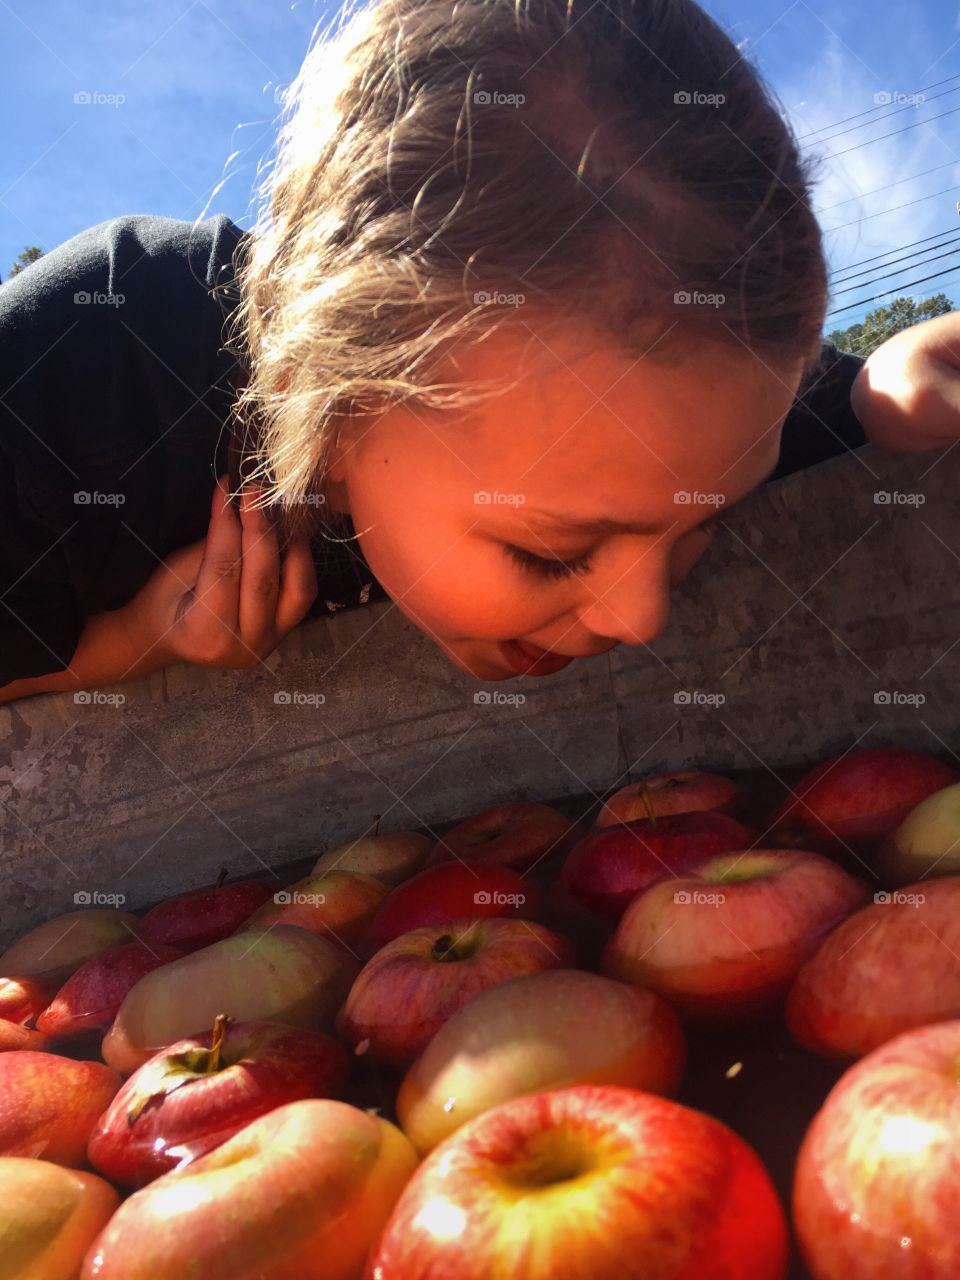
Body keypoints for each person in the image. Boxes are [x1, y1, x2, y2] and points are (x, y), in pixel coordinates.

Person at [0, 0, 950, 706]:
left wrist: (889, 389)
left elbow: (869, 393)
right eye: (551, 553)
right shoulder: (81, 371)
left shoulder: (680, 404)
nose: (642, 616)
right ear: (321, 401)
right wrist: (138, 642)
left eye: (708, 519)